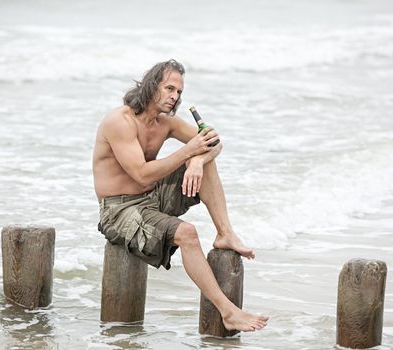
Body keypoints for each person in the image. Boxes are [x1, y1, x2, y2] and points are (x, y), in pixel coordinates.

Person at [92, 59, 268, 332]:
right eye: (169, 88)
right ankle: (228, 311)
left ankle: (226, 233)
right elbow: (140, 174)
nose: (175, 96)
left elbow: (213, 142)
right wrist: (189, 152)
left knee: (205, 160)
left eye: (179, 92)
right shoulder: (120, 121)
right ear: (151, 86)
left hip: (151, 198)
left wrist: (197, 160)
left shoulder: (166, 123)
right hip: (118, 211)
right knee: (188, 233)